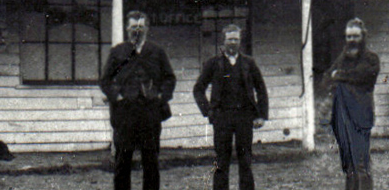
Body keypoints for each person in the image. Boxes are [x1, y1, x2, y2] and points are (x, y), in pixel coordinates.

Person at [99, 11, 177, 190]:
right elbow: (105, 80)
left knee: (151, 161)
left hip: (150, 112)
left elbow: (170, 78)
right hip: (125, 113)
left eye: (141, 27)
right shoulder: (118, 51)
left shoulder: (157, 51)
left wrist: (160, 96)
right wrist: (116, 96)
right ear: (127, 29)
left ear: (147, 29)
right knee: (122, 161)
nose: (137, 31)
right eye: (134, 27)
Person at [193, 23, 269, 190]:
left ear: (240, 41)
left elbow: (261, 88)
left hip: (244, 117)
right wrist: (208, 111)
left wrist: (261, 115)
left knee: (246, 161)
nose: (233, 43)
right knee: (221, 161)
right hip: (222, 118)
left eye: (236, 39)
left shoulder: (249, 63)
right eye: (230, 39)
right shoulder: (213, 63)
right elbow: (198, 89)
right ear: (223, 41)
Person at [321, 18, 380, 190]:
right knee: (348, 163)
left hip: (361, 114)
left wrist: (339, 76)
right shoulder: (342, 58)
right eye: (348, 37)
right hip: (342, 115)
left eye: (355, 36)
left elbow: (364, 75)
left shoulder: (371, 58)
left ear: (363, 36)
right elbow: (326, 78)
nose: (351, 40)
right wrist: (340, 76)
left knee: (361, 162)